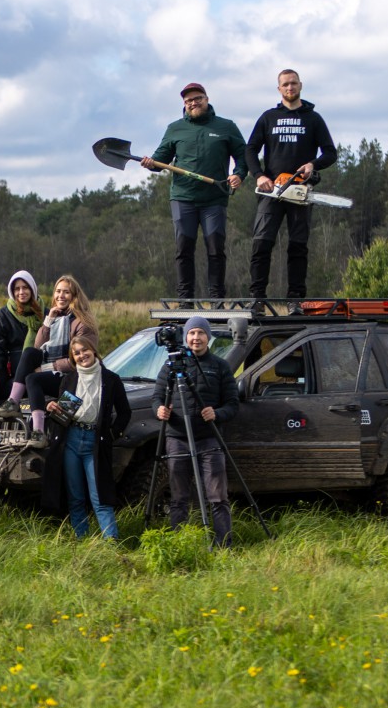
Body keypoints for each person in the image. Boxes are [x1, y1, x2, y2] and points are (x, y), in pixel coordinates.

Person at [142, 82, 246, 299]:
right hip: (183, 198)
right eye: (188, 101)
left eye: (197, 98)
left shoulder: (226, 126)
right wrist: (151, 163)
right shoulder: (175, 128)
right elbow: (160, 159)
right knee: (183, 249)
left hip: (214, 199)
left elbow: (243, 156)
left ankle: (217, 298)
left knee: (216, 248)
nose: (193, 103)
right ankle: (184, 299)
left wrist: (238, 174)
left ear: (206, 99)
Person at [244, 69, 338, 299]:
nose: (290, 88)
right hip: (271, 191)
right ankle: (257, 297)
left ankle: (296, 298)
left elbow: (330, 153)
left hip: (300, 192)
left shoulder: (313, 118)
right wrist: (258, 175)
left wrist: (312, 165)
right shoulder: (268, 117)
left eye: (293, 83)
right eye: (285, 84)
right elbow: (250, 149)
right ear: (279, 89)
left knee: (298, 247)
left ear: (301, 86)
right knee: (261, 244)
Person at [148, 316, 238, 547]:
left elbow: (233, 405)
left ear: (208, 337)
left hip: (209, 438)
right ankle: (181, 543)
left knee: (218, 496)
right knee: (178, 496)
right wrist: (159, 410)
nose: (195, 338)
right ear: (185, 337)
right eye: (191, 333)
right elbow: (157, 396)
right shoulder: (171, 365)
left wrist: (217, 413)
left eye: (200, 333)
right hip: (177, 438)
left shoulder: (220, 366)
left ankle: (223, 543)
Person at [40, 334, 133, 540]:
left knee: (99, 496)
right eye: (77, 353)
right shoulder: (69, 379)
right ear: (73, 358)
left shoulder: (111, 379)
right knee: (75, 497)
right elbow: (61, 412)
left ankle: (111, 542)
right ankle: (82, 540)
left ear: (93, 351)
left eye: (84, 350)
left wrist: (111, 434)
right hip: (71, 439)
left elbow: (125, 412)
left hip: (95, 442)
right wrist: (51, 406)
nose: (82, 355)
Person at [0, 275, 98, 435]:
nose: (60, 296)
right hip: (54, 378)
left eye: (66, 292)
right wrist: (48, 321)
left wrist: (48, 367)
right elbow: (37, 347)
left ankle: (41, 432)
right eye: (58, 291)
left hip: (73, 381)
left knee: (61, 435)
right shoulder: (55, 318)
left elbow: (81, 360)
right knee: (29, 354)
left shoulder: (83, 323)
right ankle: (13, 403)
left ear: (75, 296)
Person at [0, 270, 45, 414]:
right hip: (8, 373)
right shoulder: (3, 316)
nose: (21, 292)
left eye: (25, 287)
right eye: (17, 289)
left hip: (37, 372)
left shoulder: (46, 314)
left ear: (33, 289)